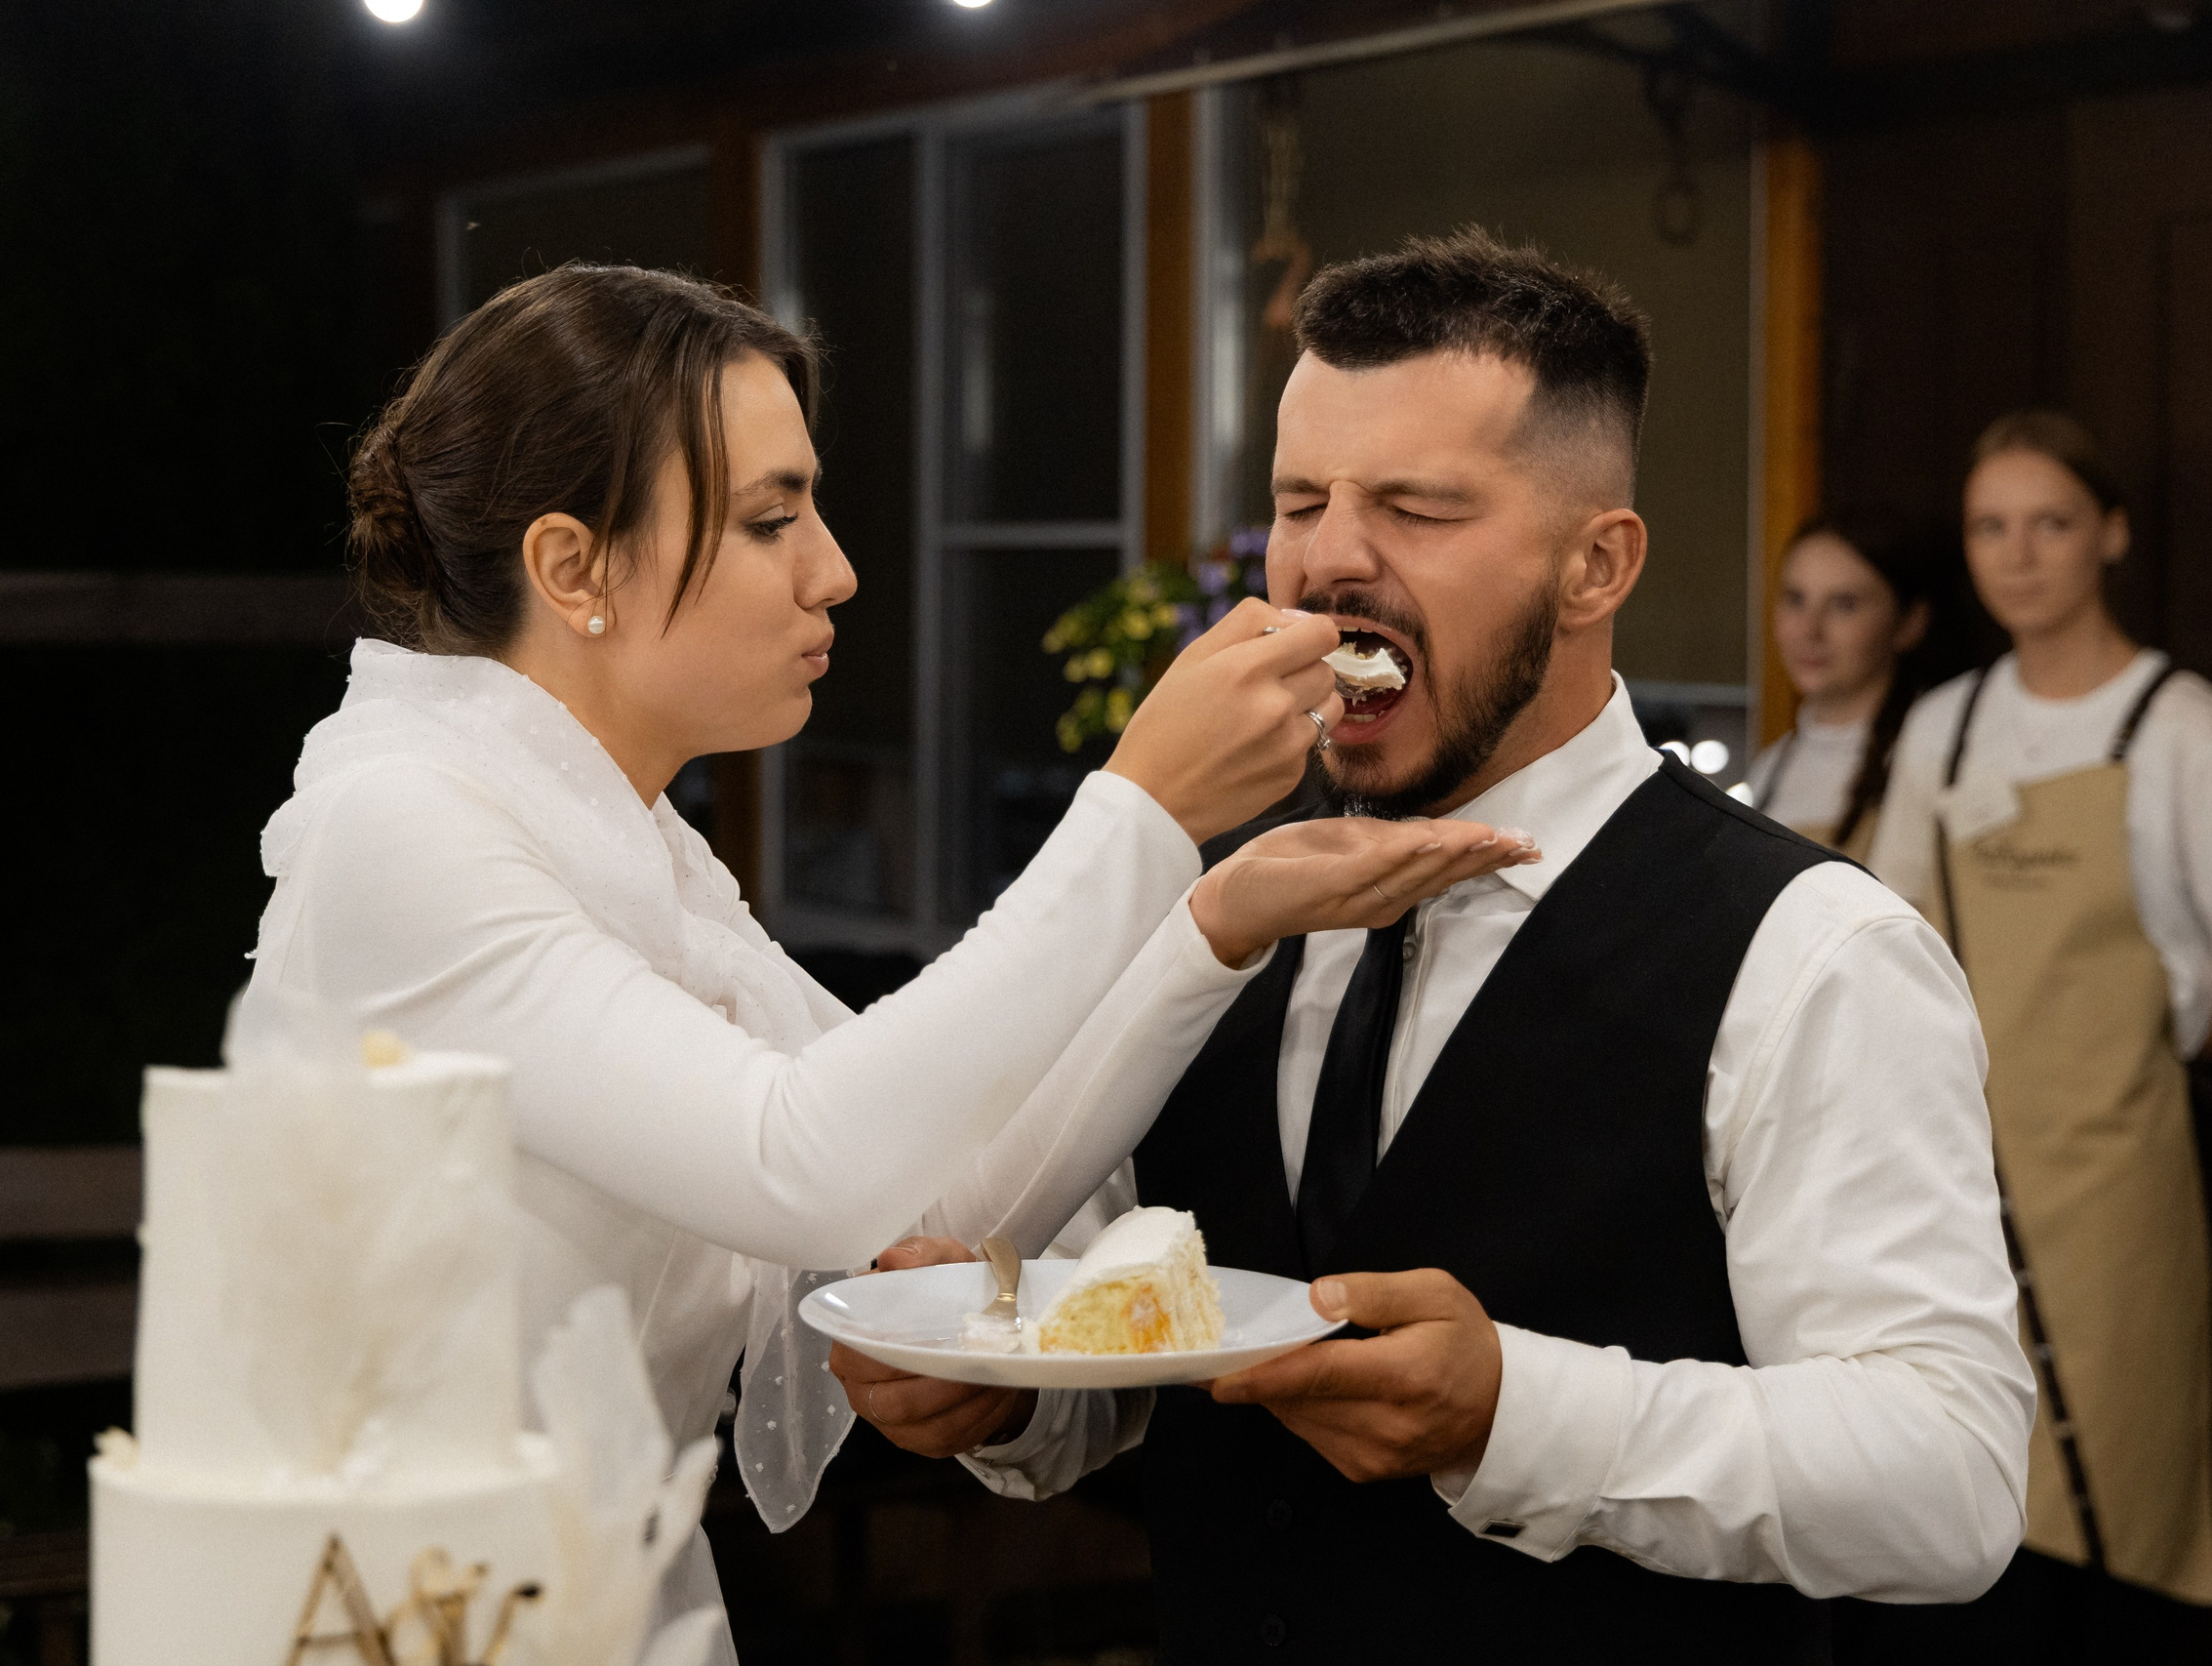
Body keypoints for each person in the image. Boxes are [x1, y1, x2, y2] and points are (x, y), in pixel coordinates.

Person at [242, 264, 1538, 1660]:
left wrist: (1207, 928)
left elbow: (925, 1202)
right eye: (771, 519)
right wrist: (1137, 808)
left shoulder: (630, 848)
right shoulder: (403, 827)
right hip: (402, 1616)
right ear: (573, 568)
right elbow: (804, 1164)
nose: (836, 570)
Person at [832, 229, 2032, 1660]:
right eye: (1299, 501)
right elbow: (1123, 1341)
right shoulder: (1218, 911)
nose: (1328, 557)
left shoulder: (1812, 950)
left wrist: (1515, 1413)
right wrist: (1008, 1401)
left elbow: (1950, 1478)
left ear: (1595, 565)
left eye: (1415, 507)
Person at [1869, 409, 2212, 1649]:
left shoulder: (2186, 727)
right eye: (1989, 527)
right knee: (1963, 1496)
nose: (2018, 554)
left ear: (2110, 534)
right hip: (1958, 1174)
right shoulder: (1943, 726)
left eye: (2049, 523)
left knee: (2112, 1521)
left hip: (2119, 1181)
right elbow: (1893, 938)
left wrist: (2114, 1063)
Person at [1743, 509, 1947, 859]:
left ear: (1910, 622)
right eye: (1795, 599)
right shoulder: (1771, 766)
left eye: (1844, 605)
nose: (1810, 631)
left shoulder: (1936, 752)